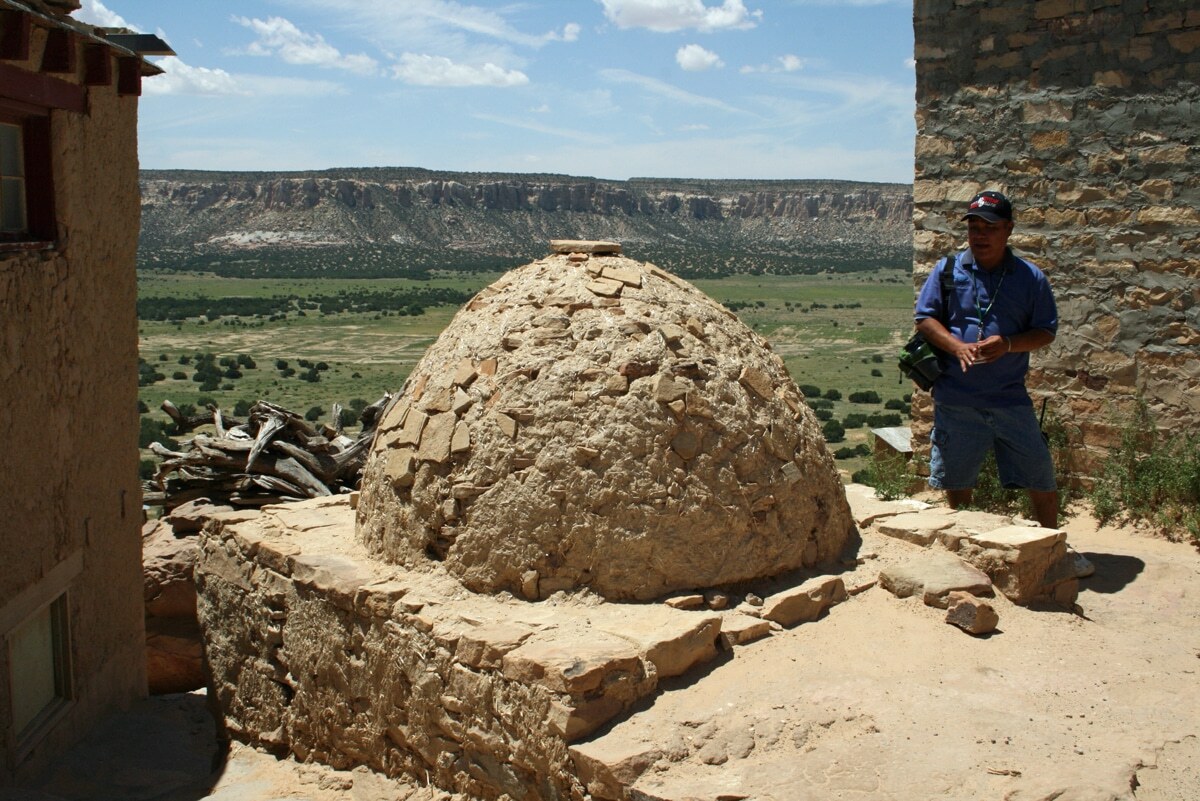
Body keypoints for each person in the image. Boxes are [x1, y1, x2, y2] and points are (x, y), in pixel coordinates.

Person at [913, 191, 1060, 528]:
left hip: (1009, 398)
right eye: (974, 226)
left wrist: (1008, 344)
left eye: (989, 227)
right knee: (956, 481)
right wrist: (956, 347)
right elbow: (925, 319)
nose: (979, 234)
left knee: (1041, 478)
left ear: (1008, 229)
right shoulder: (948, 270)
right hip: (956, 399)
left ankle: (1055, 547)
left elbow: (1046, 331)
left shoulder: (1029, 278)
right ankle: (963, 547)